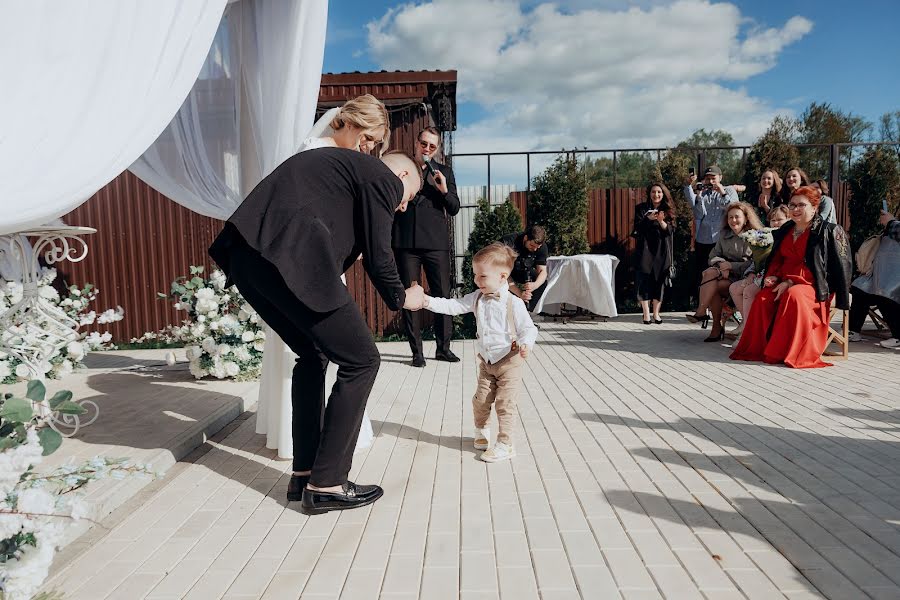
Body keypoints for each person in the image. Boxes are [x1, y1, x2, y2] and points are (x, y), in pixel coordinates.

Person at [209, 148, 424, 514]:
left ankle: (305, 473)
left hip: (249, 258)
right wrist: (403, 296)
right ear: (401, 177)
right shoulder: (380, 176)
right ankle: (328, 483)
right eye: (410, 198)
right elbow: (379, 254)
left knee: (313, 353)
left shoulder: (345, 173)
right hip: (289, 256)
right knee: (362, 360)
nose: (403, 207)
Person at [256, 94, 389, 463]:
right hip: (306, 272)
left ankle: (309, 466)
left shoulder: (340, 160)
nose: (369, 147)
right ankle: (322, 472)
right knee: (354, 359)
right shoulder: (314, 153)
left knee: (319, 356)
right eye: (369, 136)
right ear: (349, 122)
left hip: (321, 269)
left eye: (375, 143)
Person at [420, 242, 538, 462]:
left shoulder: (514, 303)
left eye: (482, 276)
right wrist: (426, 301)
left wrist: (526, 344)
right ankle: (481, 430)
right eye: (475, 275)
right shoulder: (477, 298)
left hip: (510, 362)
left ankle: (505, 444)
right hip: (487, 361)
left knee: (505, 403)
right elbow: (453, 306)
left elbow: (528, 329)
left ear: (503, 277)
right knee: (480, 400)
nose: (476, 280)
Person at [730, 186, 851, 368]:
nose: (795, 209)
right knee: (763, 298)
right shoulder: (786, 229)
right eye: (792, 205)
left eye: (801, 205)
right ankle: (763, 350)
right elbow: (777, 260)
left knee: (793, 296)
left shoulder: (830, 231)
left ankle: (790, 352)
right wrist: (773, 277)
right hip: (784, 282)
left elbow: (840, 268)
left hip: (815, 286)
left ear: (814, 208)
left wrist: (790, 281)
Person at [392, 126, 461, 367]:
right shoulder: (402, 169)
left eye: (432, 146)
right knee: (410, 298)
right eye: (424, 144)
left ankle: (443, 348)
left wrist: (442, 189)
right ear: (416, 143)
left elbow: (454, 207)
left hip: (435, 244)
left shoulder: (444, 172)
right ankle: (417, 353)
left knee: (442, 295)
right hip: (406, 244)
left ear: (438, 149)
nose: (427, 149)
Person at [687, 202, 761, 341]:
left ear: (745, 218)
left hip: (743, 278)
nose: (733, 221)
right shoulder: (724, 235)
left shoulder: (754, 237)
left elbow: (755, 263)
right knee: (710, 273)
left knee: (711, 284)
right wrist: (722, 265)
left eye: (737, 217)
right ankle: (706, 316)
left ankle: (709, 320)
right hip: (724, 276)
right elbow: (712, 256)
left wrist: (731, 266)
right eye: (730, 217)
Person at [727, 205, 790, 340]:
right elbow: (756, 260)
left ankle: (749, 333)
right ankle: (745, 322)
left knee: (749, 291)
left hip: (779, 277)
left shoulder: (788, 236)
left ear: (788, 219)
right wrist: (751, 273)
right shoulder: (765, 235)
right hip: (761, 273)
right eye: (773, 220)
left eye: (780, 219)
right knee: (734, 287)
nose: (776, 223)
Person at [684, 165, 739, 314]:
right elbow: (698, 214)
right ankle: (705, 305)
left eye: (713, 178)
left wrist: (721, 192)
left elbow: (733, 208)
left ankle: (723, 305)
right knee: (704, 273)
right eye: (708, 178)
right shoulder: (704, 193)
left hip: (721, 240)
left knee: (721, 273)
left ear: (720, 178)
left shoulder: (728, 190)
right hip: (703, 239)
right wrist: (698, 194)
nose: (710, 181)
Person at [849, 210, 900, 348]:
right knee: (859, 289)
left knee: (885, 295)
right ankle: (853, 331)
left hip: (894, 282)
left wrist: (890, 222)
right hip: (881, 275)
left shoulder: (894, 225)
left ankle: (897, 336)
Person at [631, 183, 674, 324]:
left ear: (663, 194)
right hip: (645, 249)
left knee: (659, 281)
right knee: (644, 280)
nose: (656, 195)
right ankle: (646, 314)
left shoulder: (668, 210)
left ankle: (656, 314)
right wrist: (647, 219)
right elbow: (636, 229)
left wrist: (661, 221)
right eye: (654, 192)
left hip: (662, 250)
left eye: (659, 192)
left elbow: (670, 231)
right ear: (649, 193)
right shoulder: (641, 209)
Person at [501, 225, 549, 312]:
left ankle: (526, 313)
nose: (534, 249)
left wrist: (535, 285)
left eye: (537, 247)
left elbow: (543, 271)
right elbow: (501, 273)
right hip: (505, 272)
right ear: (526, 238)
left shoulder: (541, 247)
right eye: (531, 245)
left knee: (542, 282)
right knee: (500, 282)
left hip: (524, 271)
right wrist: (520, 293)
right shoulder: (508, 242)